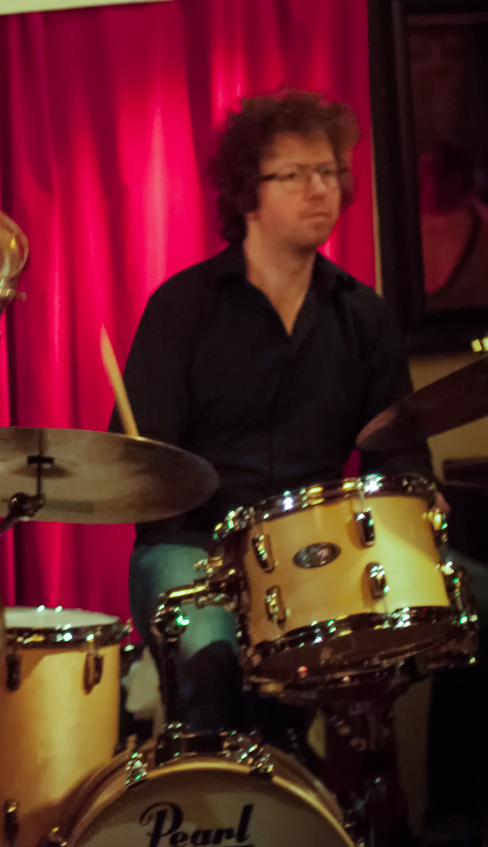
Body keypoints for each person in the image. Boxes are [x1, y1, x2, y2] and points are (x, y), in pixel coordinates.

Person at [112, 89, 434, 735]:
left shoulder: (363, 316)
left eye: (329, 171)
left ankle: (454, 796)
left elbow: (396, 452)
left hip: (323, 553)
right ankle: (218, 792)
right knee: (209, 651)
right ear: (246, 195)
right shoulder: (183, 309)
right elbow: (137, 465)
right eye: (294, 174)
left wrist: (419, 498)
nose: (320, 189)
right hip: (196, 547)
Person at [418, 138, 488, 311]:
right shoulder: (409, 229)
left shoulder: (482, 227)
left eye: (428, 173)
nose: (418, 181)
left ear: (456, 179)